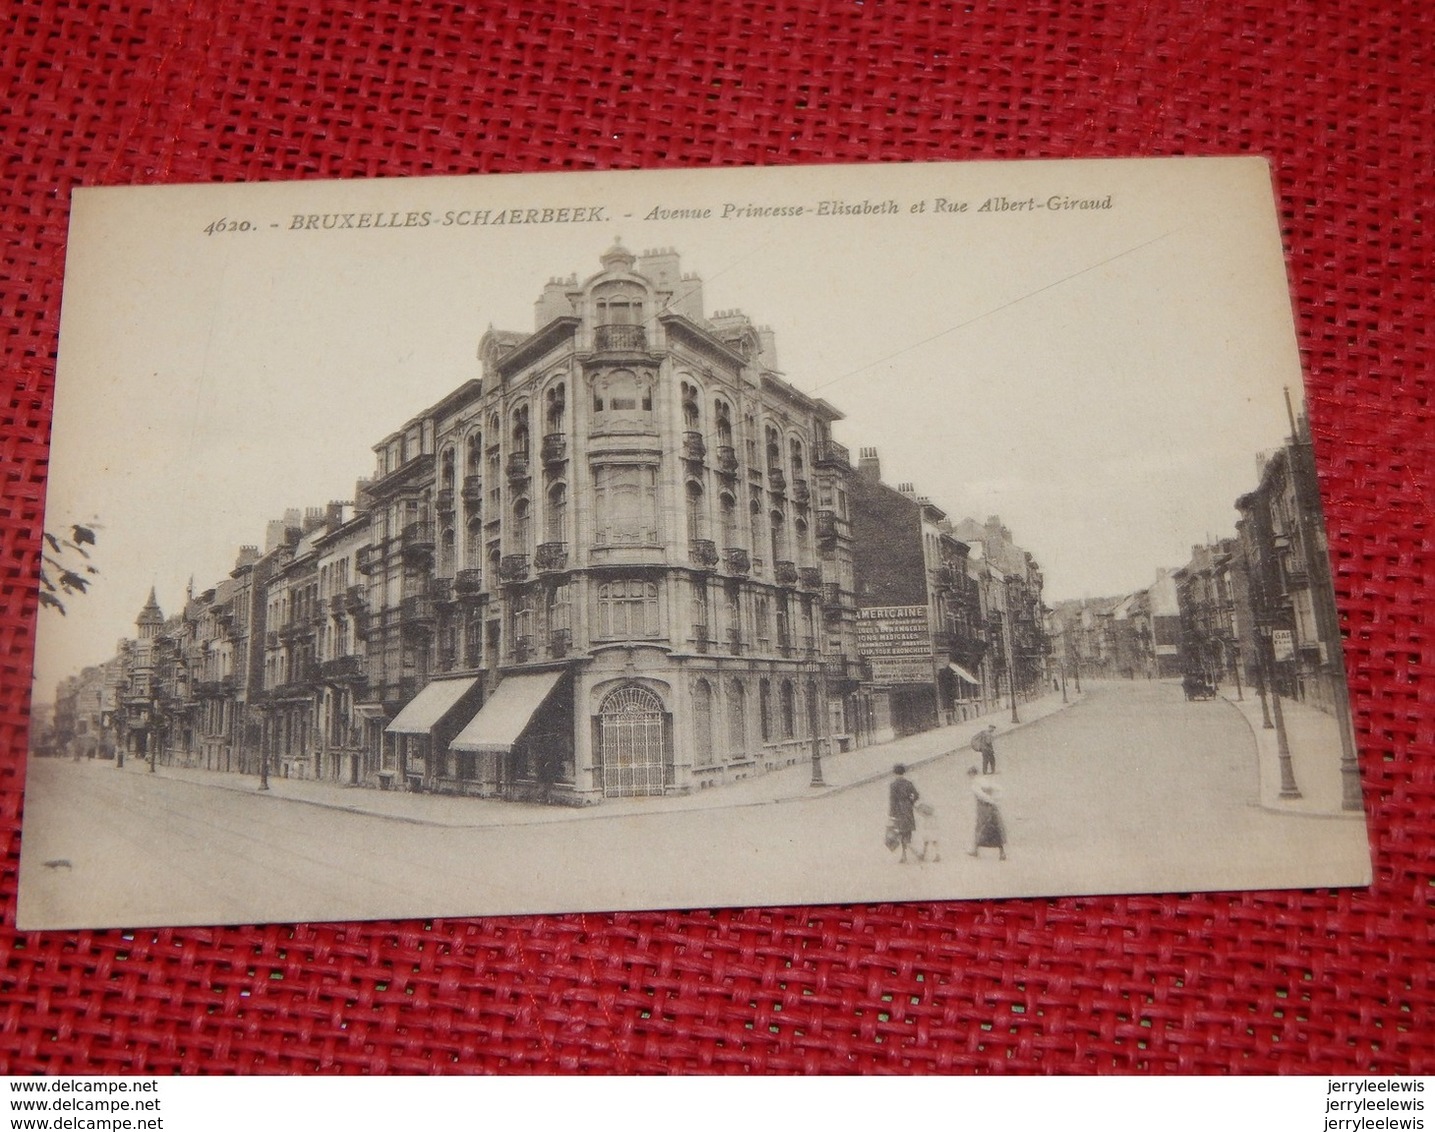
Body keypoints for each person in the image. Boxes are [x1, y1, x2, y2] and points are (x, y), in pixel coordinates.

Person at [968, 773, 1007, 860]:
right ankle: (1002, 852)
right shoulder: (986, 781)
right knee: (996, 829)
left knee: (981, 827)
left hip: (983, 810)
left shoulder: (975, 785)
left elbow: (981, 796)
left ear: (971, 774)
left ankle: (975, 850)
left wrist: (991, 801)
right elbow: (999, 789)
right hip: (993, 808)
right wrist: (996, 800)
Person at [888, 764, 920, 864]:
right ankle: (907, 852)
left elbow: (892, 800)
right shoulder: (908, 783)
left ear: (895, 773)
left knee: (901, 832)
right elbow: (916, 795)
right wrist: (911, 802)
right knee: (908, 831)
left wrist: (891, 814)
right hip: (908, 808)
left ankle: (905, 854)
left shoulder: (893, 785)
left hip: (898, 809)